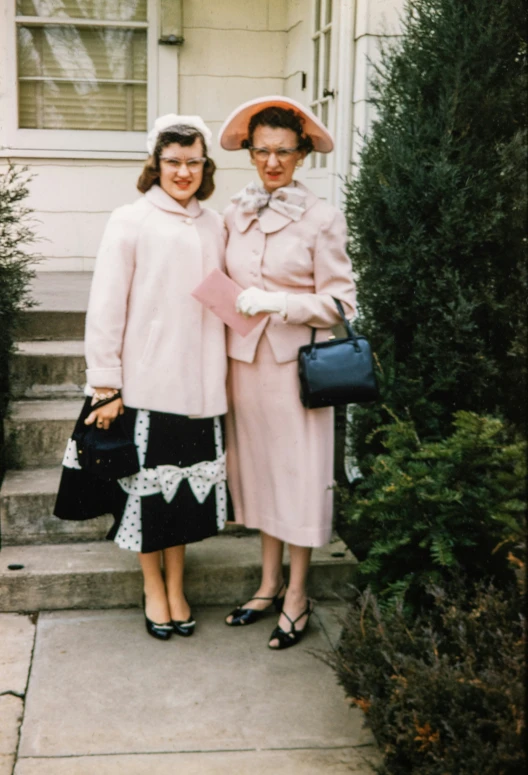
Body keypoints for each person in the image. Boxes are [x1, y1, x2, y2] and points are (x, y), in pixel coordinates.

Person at [54, 114, 228, 641]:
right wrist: (106, 386)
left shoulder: (214, 224)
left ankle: (178, 585)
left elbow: (226, 298)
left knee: (181, 498)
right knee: (149, 497)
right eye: (172, 162)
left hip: (202, 389)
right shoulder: (130, 220)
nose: (182, 172)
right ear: (156, 164)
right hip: (147, 386)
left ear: (205, 165)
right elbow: (106, 306)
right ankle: (153, 587)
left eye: (192, 162)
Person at [218, 96, 356, 650]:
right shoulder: (235, 211)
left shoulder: (322, 218)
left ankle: (297, 594)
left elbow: (342, 303)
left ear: (301, 155)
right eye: (262, 151)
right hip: (245, 367)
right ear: (250, 153)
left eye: (284, 152)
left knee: (298, 481)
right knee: (262, 477)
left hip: (298, 371)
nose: (272, 162)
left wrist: (278, 302)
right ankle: (267, 583)